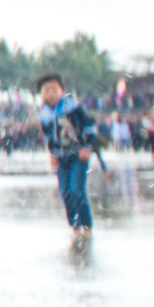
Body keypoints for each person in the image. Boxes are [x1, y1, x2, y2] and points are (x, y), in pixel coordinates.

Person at [35, 74, 98, 242]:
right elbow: (48, 137)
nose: (51, 93)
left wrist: (88, 147)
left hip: (78, 154)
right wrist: (52, 155)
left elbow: (90, 128)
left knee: (77, 189)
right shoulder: (45, 114)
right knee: (65, 192)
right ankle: (74, 224)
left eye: (54, 89)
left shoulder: (73, 108)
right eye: (46, 90)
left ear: (62, 91)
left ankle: (86, 225)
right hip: (61, 156)